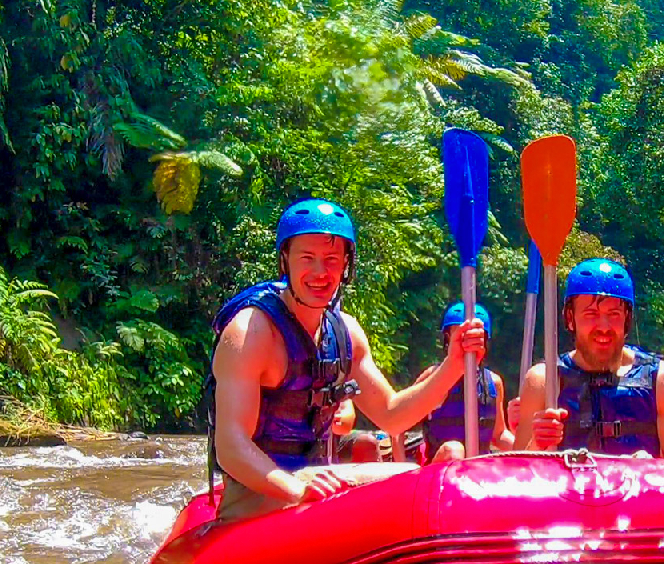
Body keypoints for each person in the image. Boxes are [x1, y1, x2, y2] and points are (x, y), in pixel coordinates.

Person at [208, 198, 487, 519]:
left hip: (316, 477)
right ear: (285, 261)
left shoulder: (345, 332)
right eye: (307, 258)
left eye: (331, 259)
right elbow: (231, 447)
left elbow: (392, 415)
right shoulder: (250, 333)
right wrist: (296, 491)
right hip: (258, 487)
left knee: (411, 471)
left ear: (346, 265)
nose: (319, 272)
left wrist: (453, 364)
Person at [515, 258, 664, 461]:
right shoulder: (544, 381)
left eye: (613, 314)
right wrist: (537, 444)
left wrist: (652, 470)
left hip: (641, 491)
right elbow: (518, 476)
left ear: (626, 320)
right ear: (570, 319)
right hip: (570, 491)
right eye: (590, 314)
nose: (603, 326)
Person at [410, 302, 514, 459]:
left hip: (477, 471)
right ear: (448, 339)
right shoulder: (431, 376)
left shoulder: (494, 382)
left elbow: (499, 434)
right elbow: (399, 428)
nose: (467, 344)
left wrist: (533, 450)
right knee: (454, 450)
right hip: (440, 471)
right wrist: (400, 465)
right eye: (460, 337)